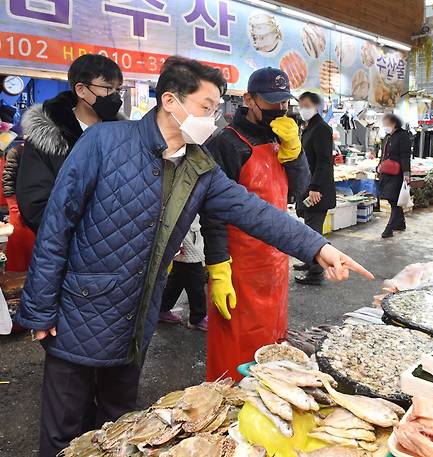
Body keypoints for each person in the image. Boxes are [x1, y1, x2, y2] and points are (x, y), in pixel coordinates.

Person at [15, 55, 372, 457]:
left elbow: (254, 212)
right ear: (170, 100)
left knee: (118, 427)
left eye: (217, 108)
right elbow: (56, 227)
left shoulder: (199, 167)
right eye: (206, 107)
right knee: (63, 430)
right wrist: (40, 309)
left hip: (137, 314)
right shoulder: (104, 143)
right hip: (79, 311)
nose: (213, 117)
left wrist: (318, 247)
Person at [204, 67, 311, 381]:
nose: (278, 110)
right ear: (248, 99)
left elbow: (299, 189)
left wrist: (295, 150)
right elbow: (214, 211)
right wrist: (218, 268)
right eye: (270, 102)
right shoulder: (227, 142)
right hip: (239, 266)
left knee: (271, 348)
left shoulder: (282, 134)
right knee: (235, 353)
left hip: (274, 260)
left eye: (284, 103)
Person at [16, 54, 124, 233]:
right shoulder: (46, 138)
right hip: (65, 248)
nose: (115, 96)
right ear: (81, 90)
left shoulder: (123, 136)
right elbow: (35, 206)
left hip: (116, 246)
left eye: (118, 89)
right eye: (107, 88)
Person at [295, 91, 336, 286]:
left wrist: (315, 187)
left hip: (316, 189)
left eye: (307, 105)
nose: (303, 109)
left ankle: (316, 272)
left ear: (316, 106)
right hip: (308, 186)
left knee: (314, 230)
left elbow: (324, 161)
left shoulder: (321, 129)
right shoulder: (309, 127)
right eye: (301, 104)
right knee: (308, 227)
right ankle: (309, 261)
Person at [159, 215, 208, 330]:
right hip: (188, 237)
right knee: (195, 278)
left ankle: (162, 308)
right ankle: (198, 317)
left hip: (188, 234)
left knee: (178, 277)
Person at [2, 142, 36, 271]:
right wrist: (14, 206)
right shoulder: (16, 152)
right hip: (18, 206)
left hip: (39, 205)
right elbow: (8, 180)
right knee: (19, 246)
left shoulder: (46, 152)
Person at [377, 113, 411, 239]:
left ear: (395, 123)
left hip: (398, 173)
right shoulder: (387, 137)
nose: (385, 126)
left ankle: (389, 228)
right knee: (393, 200)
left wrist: (407, 173)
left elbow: (405, 155)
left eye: (387, 124)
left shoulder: (403, 136)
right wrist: (379, 166)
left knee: (394, 200)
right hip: (386, 172)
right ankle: (401, 224)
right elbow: (383, 154)